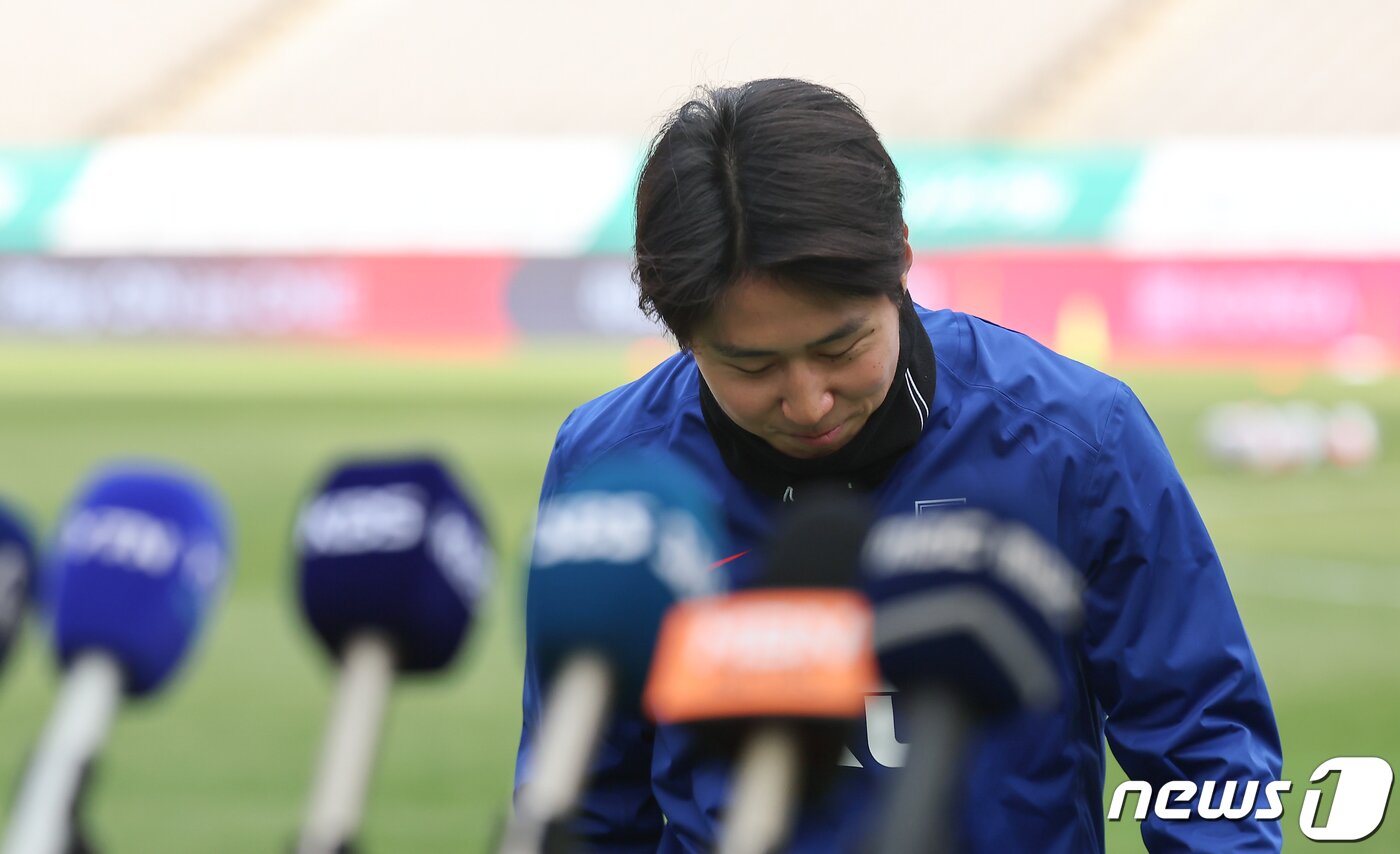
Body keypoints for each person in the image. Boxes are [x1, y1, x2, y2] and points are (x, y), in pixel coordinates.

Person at [515, 78, 1282, 852]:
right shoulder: (611, 469)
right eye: (751, 366)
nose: (808, 401)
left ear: (903, 261)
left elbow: (1208, 757)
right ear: (680, 335)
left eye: (839, 348)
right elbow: (588, 802)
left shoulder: (1078, 439)